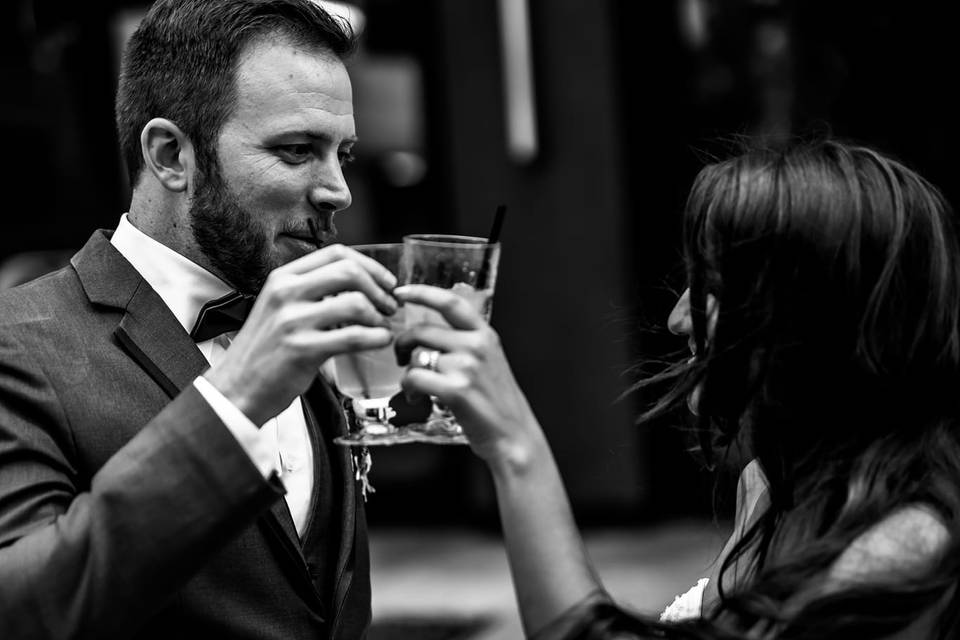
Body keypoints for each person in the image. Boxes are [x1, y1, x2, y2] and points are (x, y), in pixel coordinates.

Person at [394, 138, 960, 638]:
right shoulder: (770, 485)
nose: (676, 318)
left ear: (812, 318)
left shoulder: (903, 546)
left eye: (710, 286)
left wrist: (516, 446)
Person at [0, 1, 396, 637]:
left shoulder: (301, 318)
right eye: (296, 151)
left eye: (341, 154)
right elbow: (22, 611)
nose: (337, 190)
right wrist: (235, 399)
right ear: (170, 155)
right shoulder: (17, 346)